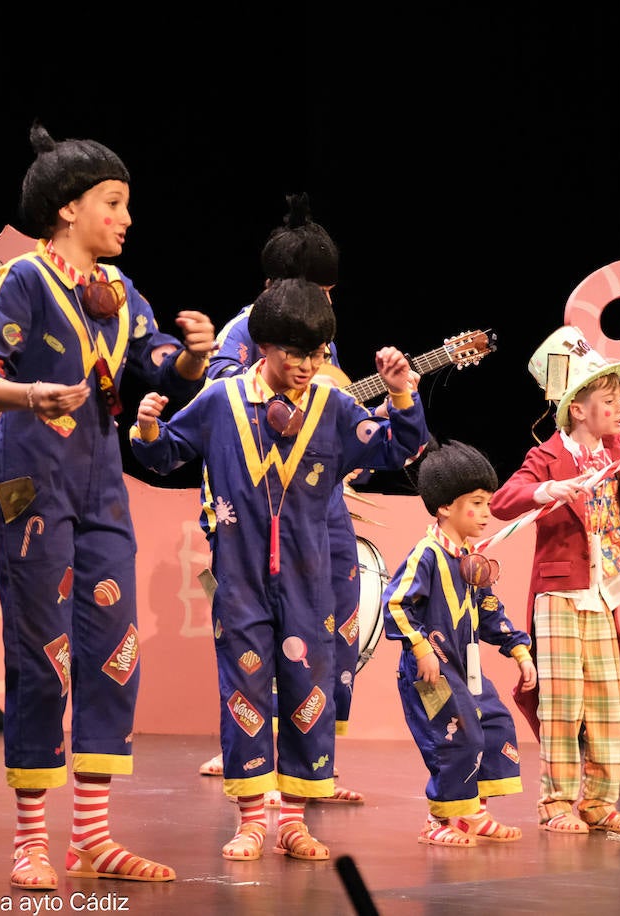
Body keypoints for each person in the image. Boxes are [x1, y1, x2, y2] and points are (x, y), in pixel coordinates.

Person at [0, 122, 217, 889]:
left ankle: (93, 838)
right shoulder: (24, 282)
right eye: (114, 203)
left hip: (103, 482)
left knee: (113, 647)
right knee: (41, 656)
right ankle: (31, 839)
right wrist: (28, 394)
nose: (127, 218)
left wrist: (195, 354)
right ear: (68, 209)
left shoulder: (123, 293)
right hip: (29, 481)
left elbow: (157, 362)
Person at [130, 277, 428, 862]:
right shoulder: (220, 401)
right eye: (297, 353)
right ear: (263, 345)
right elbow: (166, 452)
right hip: (239, 582)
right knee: (243, 691)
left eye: (319, 354)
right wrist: (144, 426)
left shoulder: (335, 407)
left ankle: (293, 821)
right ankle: (250, 820)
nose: (308, 366)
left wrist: (400, 396)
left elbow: (398, 448)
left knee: (305, 692)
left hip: (309, 584)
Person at [196, 194, 366, 805]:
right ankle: (252, 755)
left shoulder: (324, 336)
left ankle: (312, 762)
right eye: (309, 288)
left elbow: (337, 406)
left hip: (316, 506)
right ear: (272, 284)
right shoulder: (247, 329)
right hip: (251, 505)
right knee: (255, 631)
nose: (321, 303)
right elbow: (219, 395)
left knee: (335, 623)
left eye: (328, 291)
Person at [490, 326, 620, 836]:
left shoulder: (614, 445)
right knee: (563, 702)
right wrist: (547, 489)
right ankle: (556, 804)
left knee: (606, 699)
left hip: (603, 593)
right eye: (608, 399)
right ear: (577, 408)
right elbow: (502, 501)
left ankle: (599, 802)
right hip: (559, 593)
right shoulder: (547, 456)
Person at [383, 440, 537, 847]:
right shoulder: (428, 554)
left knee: (494, 724)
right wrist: (420, 649)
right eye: (477, 503)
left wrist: (518, 648)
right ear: (445, 508)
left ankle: (473, 811)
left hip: (464, 671)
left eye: (488, 503)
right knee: (458, 736)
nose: (487, 513)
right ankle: (440, 820)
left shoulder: (470, 558)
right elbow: (396, 605)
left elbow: (489, 609)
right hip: (431, 674)